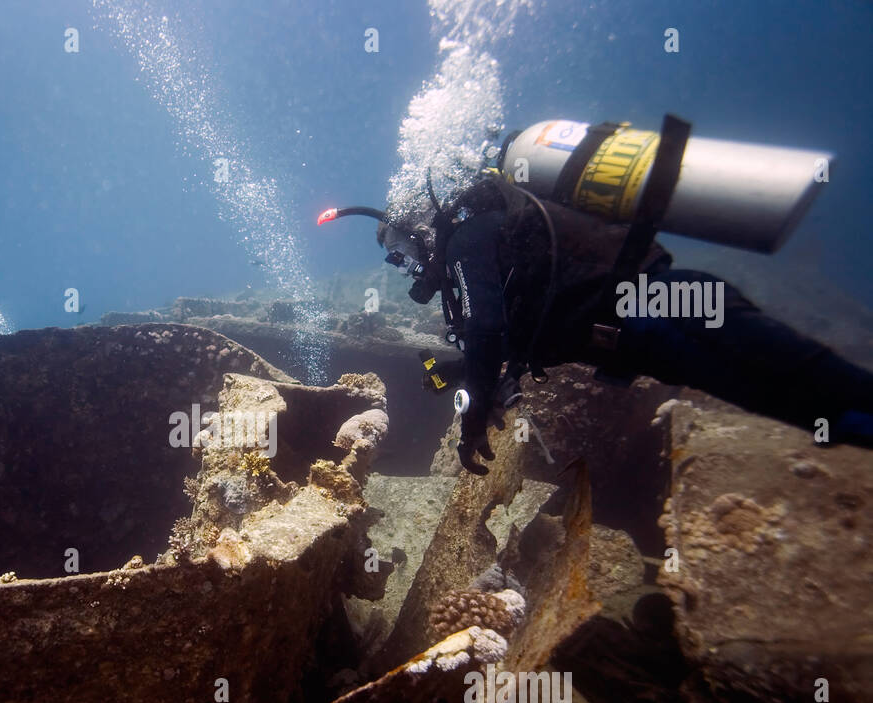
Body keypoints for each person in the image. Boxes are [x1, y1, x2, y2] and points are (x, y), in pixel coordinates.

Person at [324, 170, 873, 476]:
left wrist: (471, 422)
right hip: (644, 338)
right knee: (782, 397)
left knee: (804, 371)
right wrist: (456, 370)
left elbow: (491, 328)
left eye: (398, 249)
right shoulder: (488, 254)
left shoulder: (469, 237)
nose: (405, 265)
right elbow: (516, 334)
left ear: (419, 226)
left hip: (659, 306)